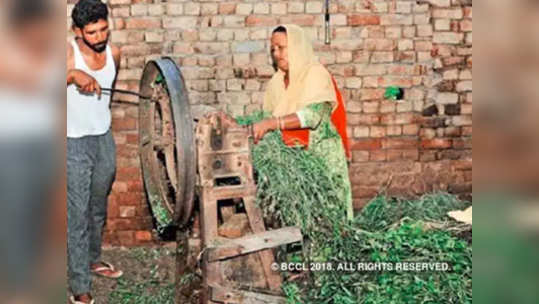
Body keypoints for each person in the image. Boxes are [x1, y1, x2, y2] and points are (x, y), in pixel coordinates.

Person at [250, 24, 354, 220]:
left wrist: (272, 123)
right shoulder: (276, 83)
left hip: (321, 161)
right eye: (273, 49)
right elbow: (266, 117)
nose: (277, 53)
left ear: (297, 46)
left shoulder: (315, 74)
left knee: (327, 219)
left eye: (282, 47)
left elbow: (313, 116)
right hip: (291, 164)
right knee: (296, 218)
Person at [67, 0, 122, 303]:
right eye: (92, 32)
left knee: (97, 206)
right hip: (72, 141)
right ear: (78, 31)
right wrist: (73, 75)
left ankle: (92, 259)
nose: (100, 37)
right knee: (76, 213)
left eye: (103, 29)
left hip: (103, 138)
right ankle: (79, 286)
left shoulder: (115, 53)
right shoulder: (66, 53)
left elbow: (107, 98)